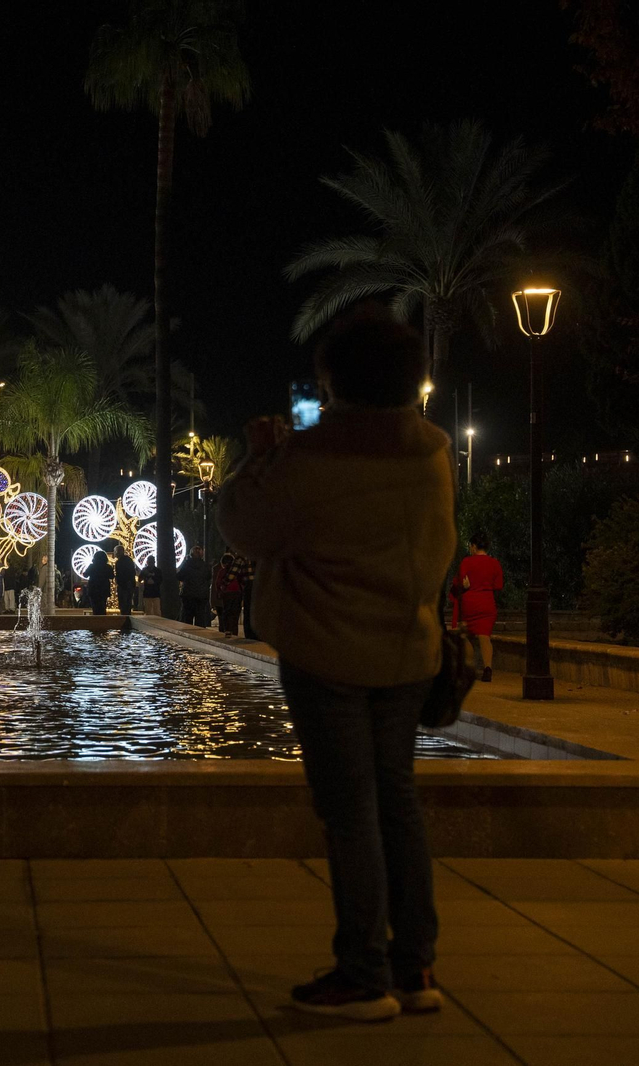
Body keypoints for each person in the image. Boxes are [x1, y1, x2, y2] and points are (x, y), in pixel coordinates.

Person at [216, 303, 454, 1021]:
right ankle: (415, 967)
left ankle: (362, 974)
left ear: (334, 381)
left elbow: (245, 527)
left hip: (329, 654)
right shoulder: (433, 450)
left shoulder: (314, 456)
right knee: (397, 802)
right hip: (408, 651)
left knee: (350, 811)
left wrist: (260, 456)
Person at [451, 531, 504, 682]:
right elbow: (498, 586)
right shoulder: (495, 563)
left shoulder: (467, 562)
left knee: (466, 635)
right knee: (485, 636)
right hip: (487, 603)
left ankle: (469, 668)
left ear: (474, 546)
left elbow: (457, 583)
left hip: (469, 603)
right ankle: (488, 668)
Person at [177, 546, 212, 627]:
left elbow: (179, 576)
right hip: (201, 595)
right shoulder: (205, 566)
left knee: (187, 618)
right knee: (200, 618)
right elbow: (208, 577)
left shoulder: (187, 565)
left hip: (188, 594)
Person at [214, 551, 244, 636]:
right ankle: (234, 631)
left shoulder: (222, 571)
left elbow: (218, 583)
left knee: (227, 612)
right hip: (237, 593)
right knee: (235, 613)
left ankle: (227, 629)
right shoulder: (238, 571)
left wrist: (219, 591)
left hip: (227, 593)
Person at [234, 554, 259, 639]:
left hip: (249, 586)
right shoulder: (262, 554)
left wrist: (224, 583)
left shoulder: (243, 555)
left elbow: (233, 572)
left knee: (248, 611)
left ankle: (249, 634)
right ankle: (258, 634)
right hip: (261, 585)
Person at [85, 549, 113, 615]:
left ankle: (96, 619)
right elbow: (112, 576)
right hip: (104, 588)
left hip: (93, 588)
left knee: (95, 607)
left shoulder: (92, 566)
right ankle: (103, 619)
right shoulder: (108, 567)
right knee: (103, 606)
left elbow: (85, 575)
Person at [112, 545, 138, 615]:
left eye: (116, 551)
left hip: (123, 586)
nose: (115, 553)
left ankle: (124, 617)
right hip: (129, 585)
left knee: (124, 603)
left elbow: (121, 574)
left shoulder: (119, 562)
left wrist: (119, 581)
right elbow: (132, 572)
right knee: (127, 603)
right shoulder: (129, 560)